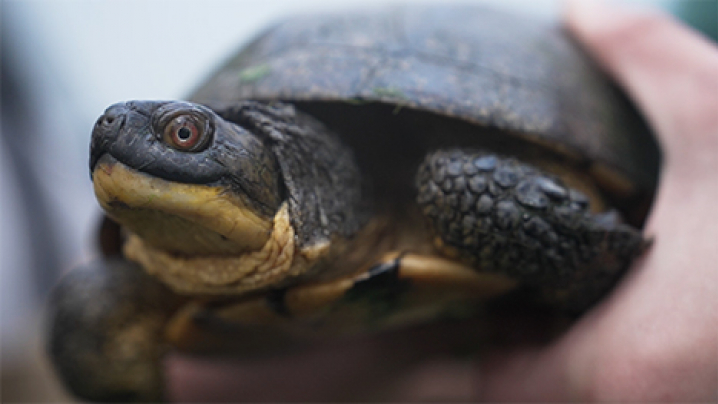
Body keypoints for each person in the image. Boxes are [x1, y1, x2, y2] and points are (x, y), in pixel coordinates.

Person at [170, 1, 718, 401]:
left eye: (181, 136)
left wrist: (588, 271)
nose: (120, 137)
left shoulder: (448, 187)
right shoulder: (154, 268)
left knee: (456, 184)